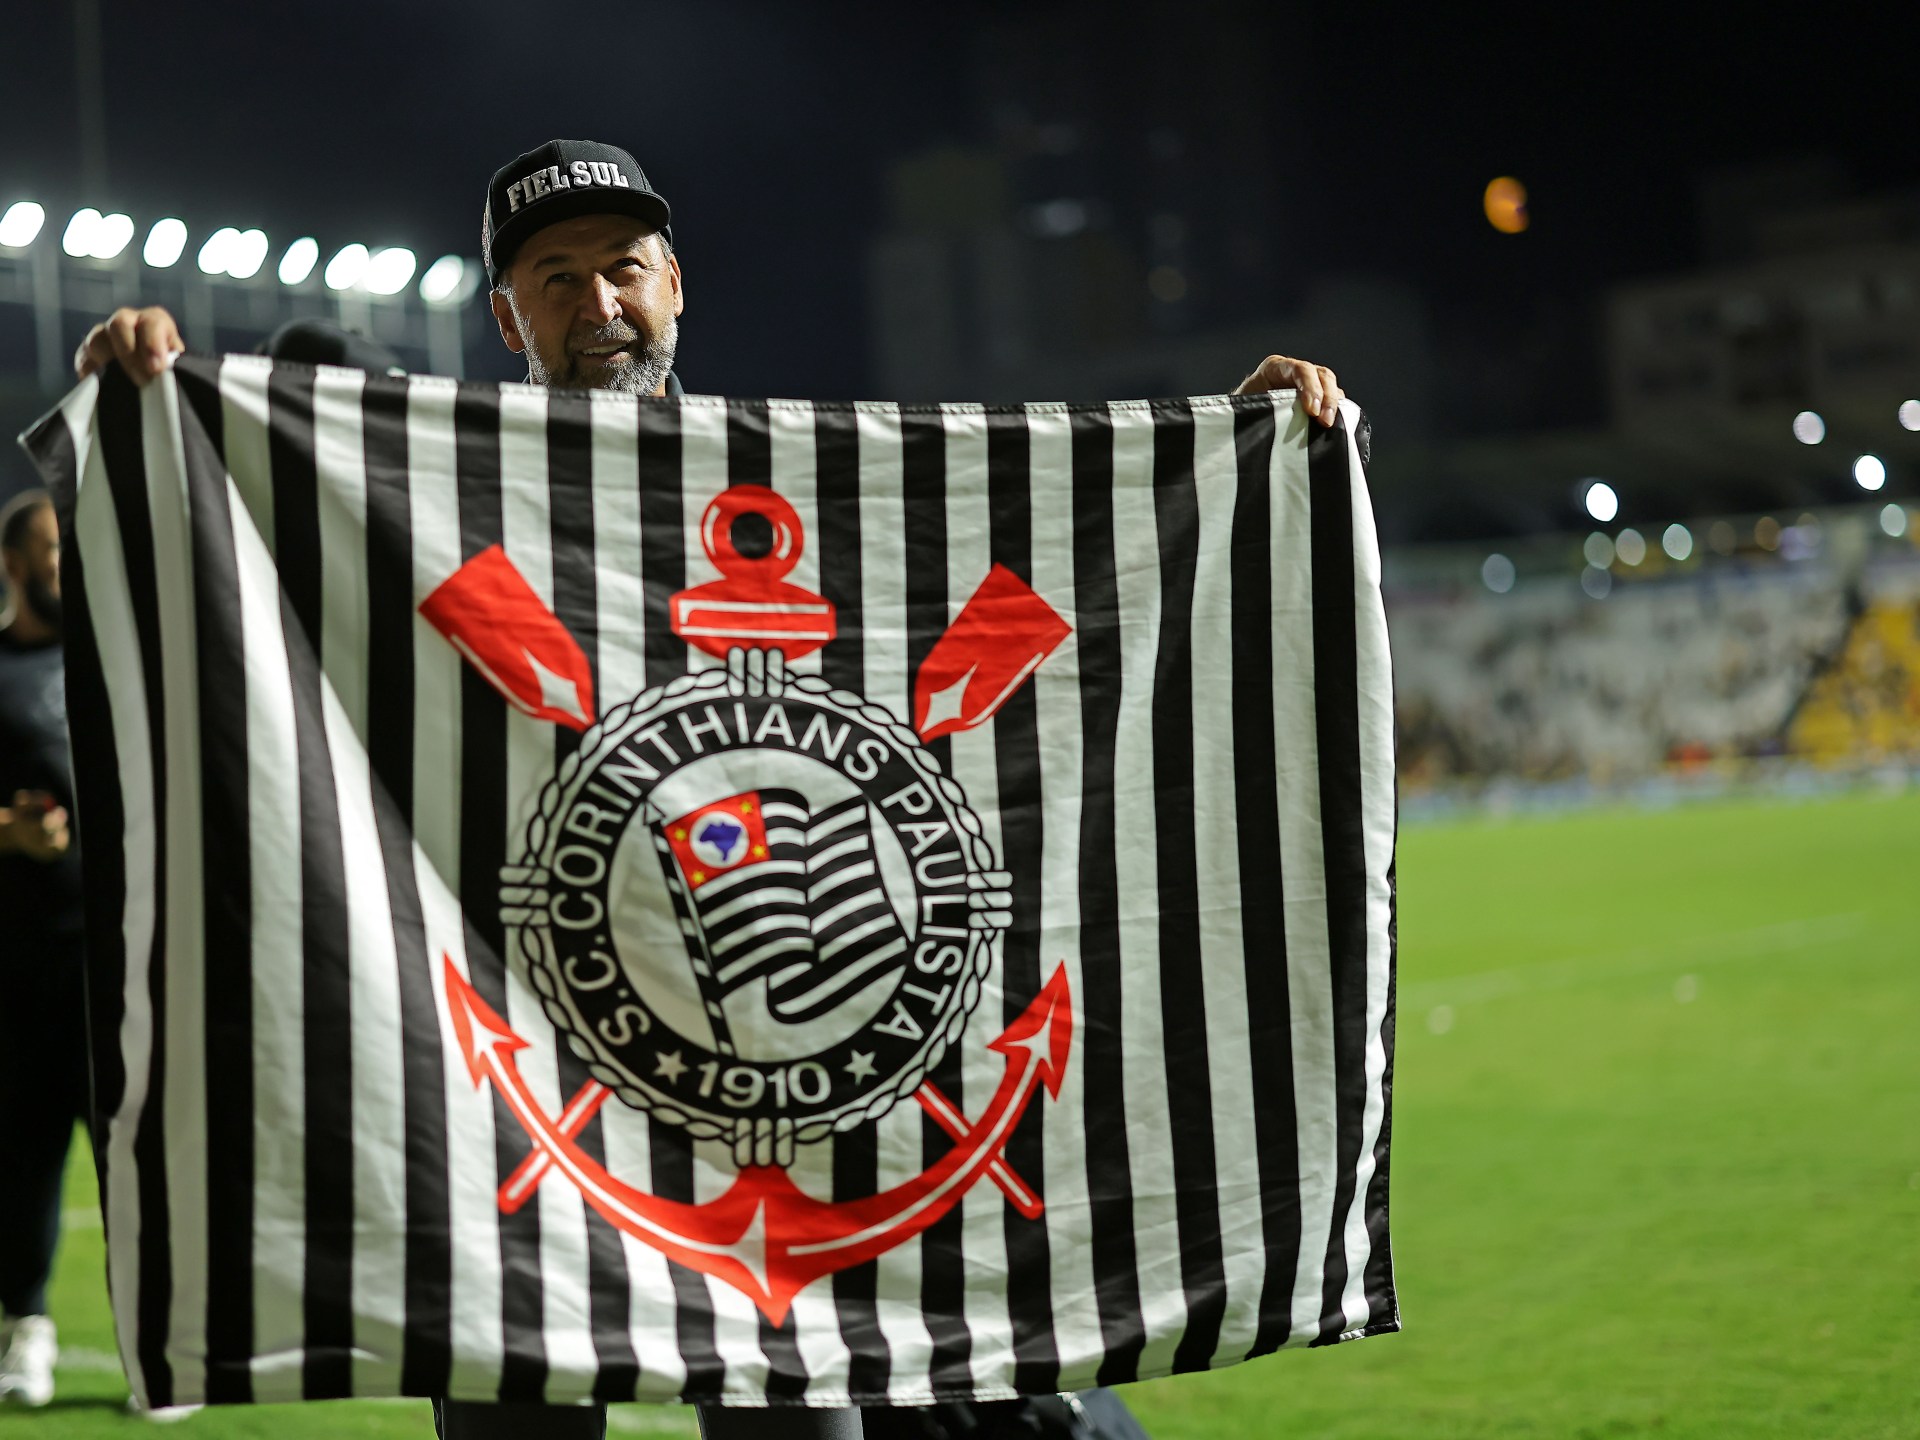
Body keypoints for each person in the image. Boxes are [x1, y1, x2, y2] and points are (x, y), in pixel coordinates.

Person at [74, 138, 1347, 1439]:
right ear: (507, 317)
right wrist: (153, 404)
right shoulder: (427, 497)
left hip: (787, 1108)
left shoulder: (814, 482)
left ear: (674, 284)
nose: (598, 302)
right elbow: (247, 579)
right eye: (555, 278)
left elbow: (1042, 564)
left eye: (623, 268)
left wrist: (1232, 449)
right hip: (515, 1106)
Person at [0, 489, 85, 1410]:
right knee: (23, 1159)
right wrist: (10, 832)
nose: (73, 565)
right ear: (15, 564)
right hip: (20, 967)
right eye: (57, 550)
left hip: (123, 964)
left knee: (145, 1154)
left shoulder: (120, 661)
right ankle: (26, 1327)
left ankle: (158, 1341)